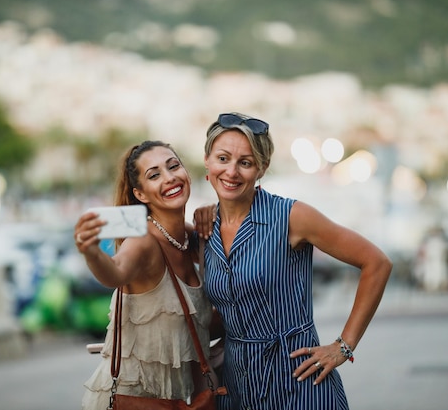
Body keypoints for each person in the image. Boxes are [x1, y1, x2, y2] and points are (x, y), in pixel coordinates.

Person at [197, 112, 392, 409]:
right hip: (236, 389)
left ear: (262, 168)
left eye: (245, 162)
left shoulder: (291, 217)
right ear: (208, 161)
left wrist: (343, 347)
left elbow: (376, 263)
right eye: (223, 159)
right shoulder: (204, 227)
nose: (232, 172)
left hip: (299, 385)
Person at [75, 140, 216, 409]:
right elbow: (115, 273)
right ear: (140, 194)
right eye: (155, 175)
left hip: (175, 400)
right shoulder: (143, 241)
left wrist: (214, 211)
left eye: (174, 166)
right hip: (134, 397)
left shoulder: (188, 237)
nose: (170, 177)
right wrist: (91, 252)